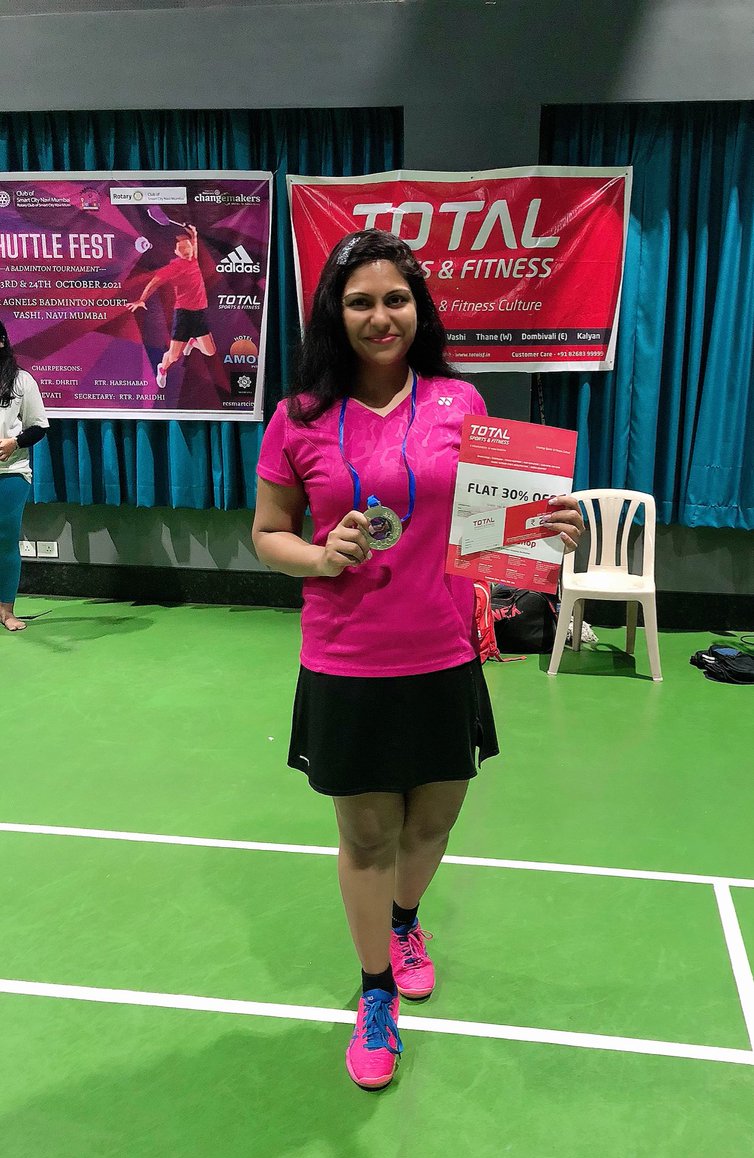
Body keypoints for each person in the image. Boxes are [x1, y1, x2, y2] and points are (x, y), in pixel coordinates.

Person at [253, 230, 584, 1091]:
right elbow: (267, 534)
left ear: (418, 309)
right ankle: (375, 995)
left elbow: (495, 527)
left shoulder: (458, 402)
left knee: (432, 823)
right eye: (360, 301)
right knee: (367, 836)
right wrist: (320, 555)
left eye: (395, 299)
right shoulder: (299, 417)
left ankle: (405, 923)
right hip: (347, 658)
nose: (380, 317)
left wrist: (548, 529)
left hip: (443, 651)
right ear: (335, 314)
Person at [0, 321, 49, 632]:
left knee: (5, 542)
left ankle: (6, 611)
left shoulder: (21, 381)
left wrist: (14, 443)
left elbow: (39, 427)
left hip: (11, 474)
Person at [126, 224, 217, 388]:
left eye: (188, 246)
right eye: (182, 248)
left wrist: (194, 235)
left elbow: (194, 245)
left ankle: (191, 342)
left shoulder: (193, 259)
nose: (186, 249)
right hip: (184, 315)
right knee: (174, 356)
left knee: (210, 351)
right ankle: (162, 368)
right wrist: (141, 300)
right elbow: (154, 283)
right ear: (176, 252)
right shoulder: (172, 268)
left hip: (199, 313)